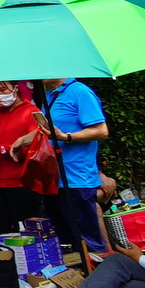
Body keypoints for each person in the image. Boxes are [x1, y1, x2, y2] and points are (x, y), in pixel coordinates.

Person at [0, 81, 54, 238]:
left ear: (16, 89)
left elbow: (35, 146)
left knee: (26, 234)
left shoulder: (30, 112)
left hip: (21, 184)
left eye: (3, 89)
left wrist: (2, 149)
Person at [46, 73, 110, 263]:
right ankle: (74, 276)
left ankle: (99, 274)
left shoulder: (80, 92)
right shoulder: (49, 95)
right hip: (54, 178)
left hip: (76, 178)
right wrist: (21, 142)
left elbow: (101, 131)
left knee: (86, 239)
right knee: (64, 241)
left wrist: (66, 137)